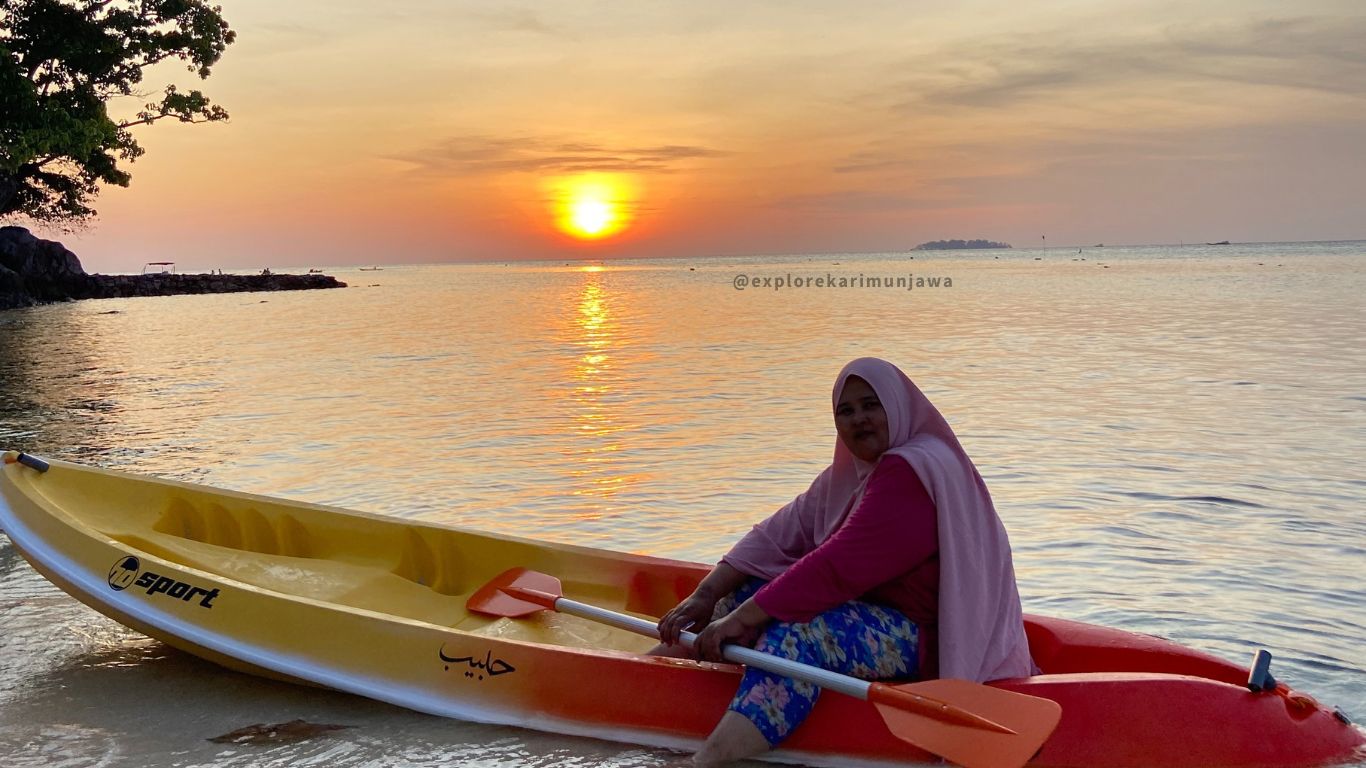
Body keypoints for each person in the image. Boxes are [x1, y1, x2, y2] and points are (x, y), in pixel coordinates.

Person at [654, 357, 1035, 767]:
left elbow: (837, 566)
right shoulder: (852, 474)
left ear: (897, 406)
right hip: (876, 619)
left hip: (931, 639)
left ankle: (708, 760)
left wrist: (741, 621)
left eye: (871, 405)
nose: (859, 420)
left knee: (800, 631)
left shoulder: (913, 468)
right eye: (846, 411)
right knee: (743, 592)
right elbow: (776, 534)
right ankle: (641, 673)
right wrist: (707, 595)